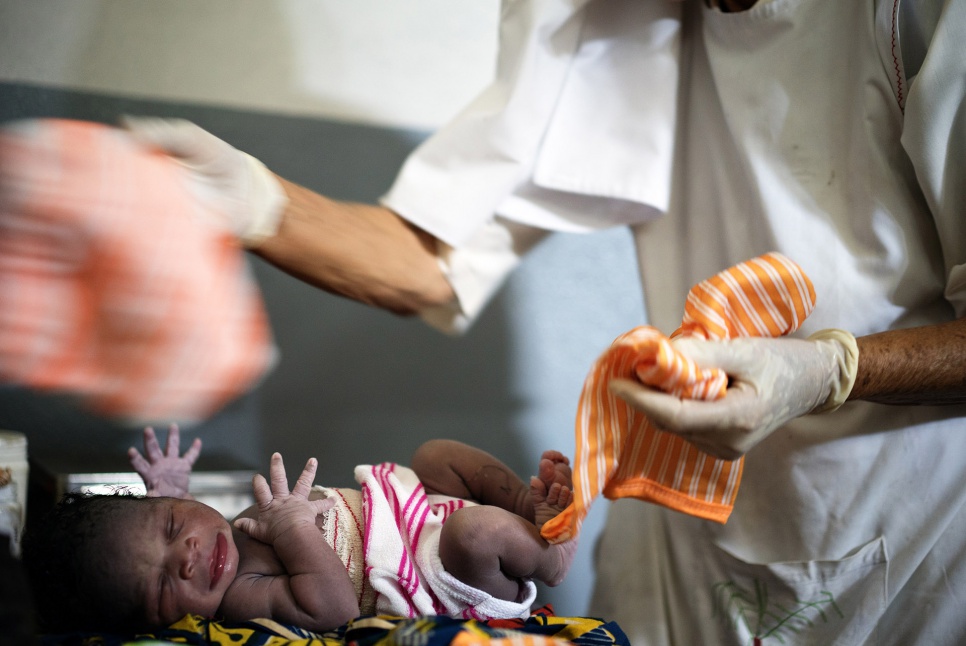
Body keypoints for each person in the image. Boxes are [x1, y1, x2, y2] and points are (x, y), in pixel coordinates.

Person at [118, 0, 966, 642]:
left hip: (891, 520)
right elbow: (429, 257)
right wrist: (261, 203)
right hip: (666, 520)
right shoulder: (611, 16)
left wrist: (832, 370)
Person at [21, 424, 577, 634]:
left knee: (437, 453)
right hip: (437, 578)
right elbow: (331, 607)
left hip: (405, 509)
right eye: (167, 583)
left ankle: (530, 516)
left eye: (170, 523)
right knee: (476, 534)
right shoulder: (238, 598)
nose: (188, 555)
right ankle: (550, 559)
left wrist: (172, 488)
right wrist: (290, 529)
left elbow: (185, 535)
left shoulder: (213, 537)